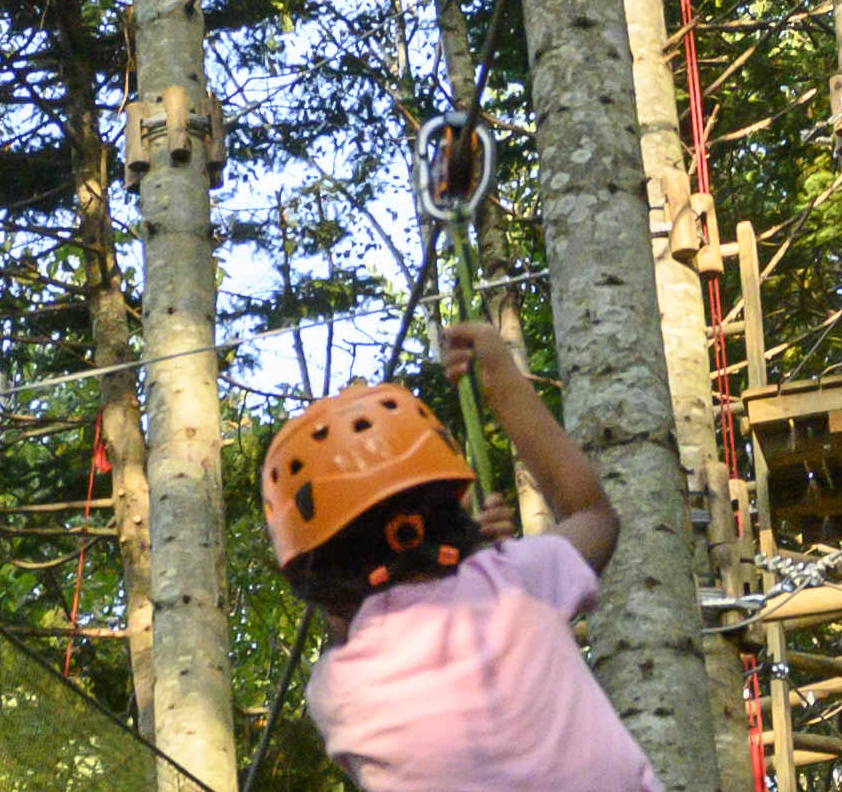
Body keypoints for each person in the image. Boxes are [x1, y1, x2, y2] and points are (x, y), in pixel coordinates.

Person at [269, 322, 665, 791]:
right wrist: (500, 376)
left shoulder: (337, 693)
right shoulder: (517, 580)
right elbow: (592, 513)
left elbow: (351, 622)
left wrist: (471, 553)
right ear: (450, 502)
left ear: (317, 578)